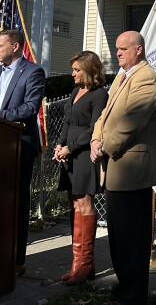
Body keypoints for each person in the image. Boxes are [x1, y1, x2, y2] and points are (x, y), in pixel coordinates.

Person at [90, 31, 156, 305]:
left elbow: (131, 122)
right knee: (119, 236)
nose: (118, 52)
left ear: (139, 50)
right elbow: (104, 116)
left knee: (132, 238)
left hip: (133, 169)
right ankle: (124, 288)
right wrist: (96, 137)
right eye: (117, 48)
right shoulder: (122, 77)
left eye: (123, 48)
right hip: (115, 168)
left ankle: (133, 295)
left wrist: (104, 146)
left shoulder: (146, 78)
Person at [0, 29, 45, 277]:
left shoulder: (33, 72)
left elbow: (29, 107)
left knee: (16, 202)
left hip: (19, 145)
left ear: (15, 47)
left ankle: (16, 259)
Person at [53, 50, 108, 286]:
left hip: (84, 154)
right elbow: (67, 121)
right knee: (73, 202)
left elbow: (95, 127)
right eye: (73, 70)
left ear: (89, 70)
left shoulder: (99, 95)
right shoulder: (76, 91)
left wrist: (71, 147)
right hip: (68, 153)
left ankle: (85, 263)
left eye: (77, 70)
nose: (73, 74)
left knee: (84, 202)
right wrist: (59, 145)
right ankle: (77, 264)